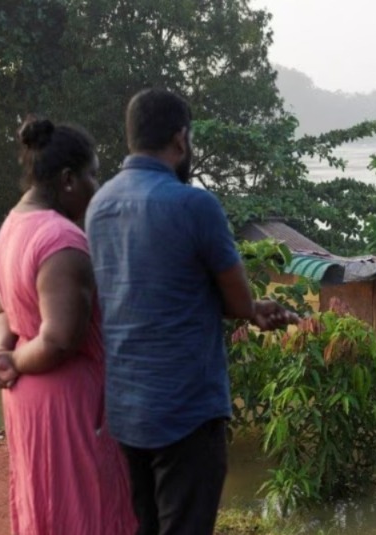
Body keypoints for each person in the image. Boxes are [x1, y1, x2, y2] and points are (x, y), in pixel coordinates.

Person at [85, 88, 297, 535]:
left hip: (125, 409)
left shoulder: (99, 205)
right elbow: (238, 302)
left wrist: (242, 308)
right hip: (185, 411)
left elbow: (147, 291)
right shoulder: (195, 205)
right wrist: (253, 309)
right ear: (181, 139)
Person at [0, 117, 137, 534]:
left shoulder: (13, 227)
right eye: (93, 174)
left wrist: (5, 353)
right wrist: (14, 358)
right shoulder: (62, 242)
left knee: (47, 509)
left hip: (28, 401)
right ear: (69, 179)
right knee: (86, 510)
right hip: (69, 407)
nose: (97, 185)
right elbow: (58, 338)